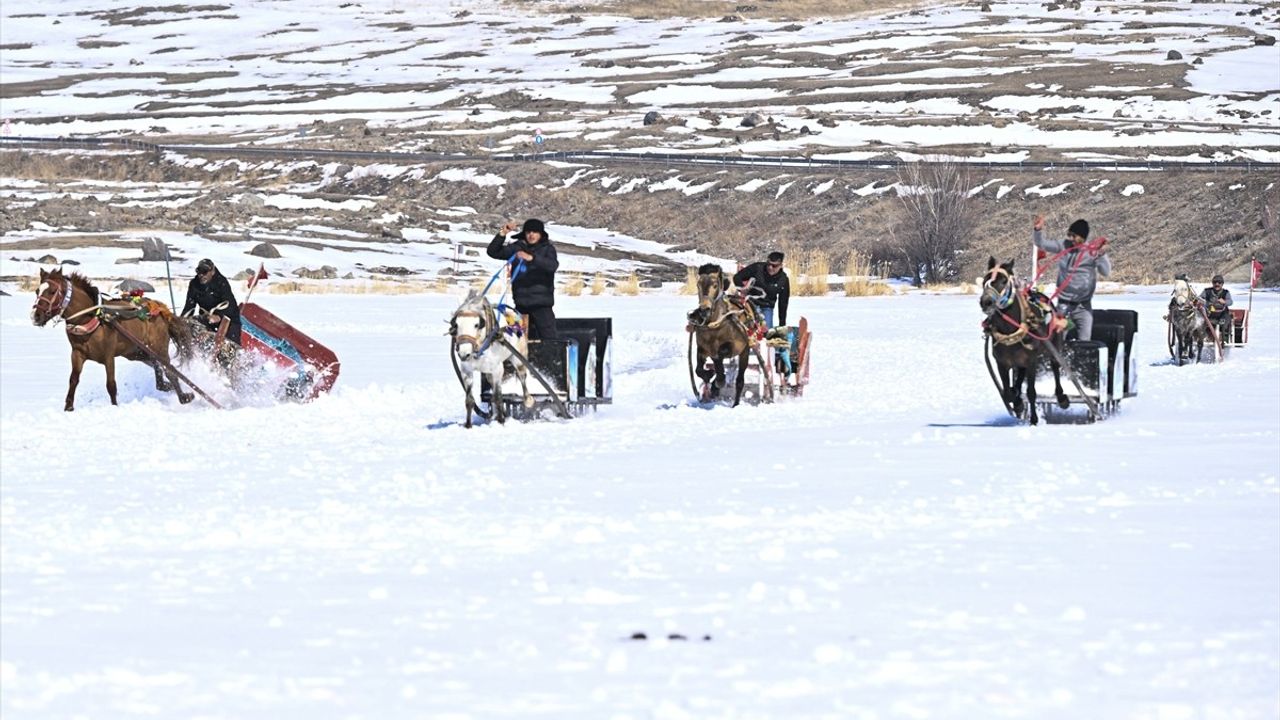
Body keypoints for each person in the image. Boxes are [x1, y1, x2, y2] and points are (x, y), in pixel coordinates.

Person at [1032, 216, 1110, 342]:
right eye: (1069, 235)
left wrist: (1102, 255)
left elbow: (1106, 272)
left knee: (1084, 342)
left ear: (1083, 237)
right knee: (1057, 341)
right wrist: (1038, 230)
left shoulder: (1092, 252)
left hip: (1083, 307)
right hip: (1063, 306)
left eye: (1074, 236)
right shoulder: (1064, 245)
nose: (1071, 239)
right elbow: (1041, 243)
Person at [487, 218, 559, 343]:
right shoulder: (517, 247)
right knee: (515, 342)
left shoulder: (548, 249)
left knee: (550, 341)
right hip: (520, 306)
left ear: (541, 234)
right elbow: (493, 252)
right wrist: (503, 233)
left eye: (535, 232)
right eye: (528, 232)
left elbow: (552, 265)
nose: (531, 235)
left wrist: (532, 258)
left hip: (541, 306)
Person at [182, 258, 241, 345]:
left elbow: (231, 305)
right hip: (207, 317)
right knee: (193, 326)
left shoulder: (221, 282)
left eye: (205, 271)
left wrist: (219, 316)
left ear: (212, 271)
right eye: (198, 271)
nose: (201, 275)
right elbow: (189, 307)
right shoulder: (194, 284)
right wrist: (181, 321)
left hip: (229, 318)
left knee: (231, 345)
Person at [732, 250, 790, 328]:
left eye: (774, 266)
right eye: (768, 264)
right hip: (750, 303)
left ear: (781, 265)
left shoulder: (783, 280)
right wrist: (743, 288)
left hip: (767, 307)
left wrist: (782, 325)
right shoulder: (757, 268)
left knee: (766, 331)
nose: (770, 267)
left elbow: (783, 303)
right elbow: (737, 277)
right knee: (745, 327)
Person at [1200, 274, 1233, 341]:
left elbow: (1230, 302)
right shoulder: (1207, 291)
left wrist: (1224, 302)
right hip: (1209, 314)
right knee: (1199, 321)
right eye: (1215, 282)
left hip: (1222, 315)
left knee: (1225, 324)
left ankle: (1224, 340)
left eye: (1219, 283)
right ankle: (1202, 338)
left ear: (1222, 284)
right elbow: (1199, 299)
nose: (1217, 284)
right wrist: (1204, 302)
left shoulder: (1225, 292)